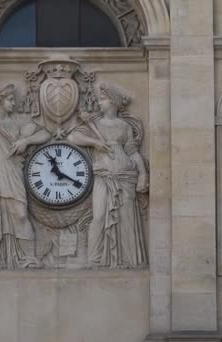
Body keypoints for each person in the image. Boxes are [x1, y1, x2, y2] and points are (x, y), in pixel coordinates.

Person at [0, 84, 51, 269]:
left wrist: (26, 140)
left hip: (13, 174)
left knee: (21, 214)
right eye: (10, 99)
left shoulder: (19, 123)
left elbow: (46, 133)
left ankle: (29, 257)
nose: (14, 103)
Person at [68, 82, 148, 268]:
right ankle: (94, 258)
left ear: (112, 102)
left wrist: (143, 174)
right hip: (103, 175)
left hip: (124, 174)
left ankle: (127, 259)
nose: (99, 102)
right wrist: (94, 142)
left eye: (102, 99)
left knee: (126, 217)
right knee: (99, 215)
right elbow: (73, 137)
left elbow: (133, 152)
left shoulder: (124, 126)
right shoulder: (94, 123)